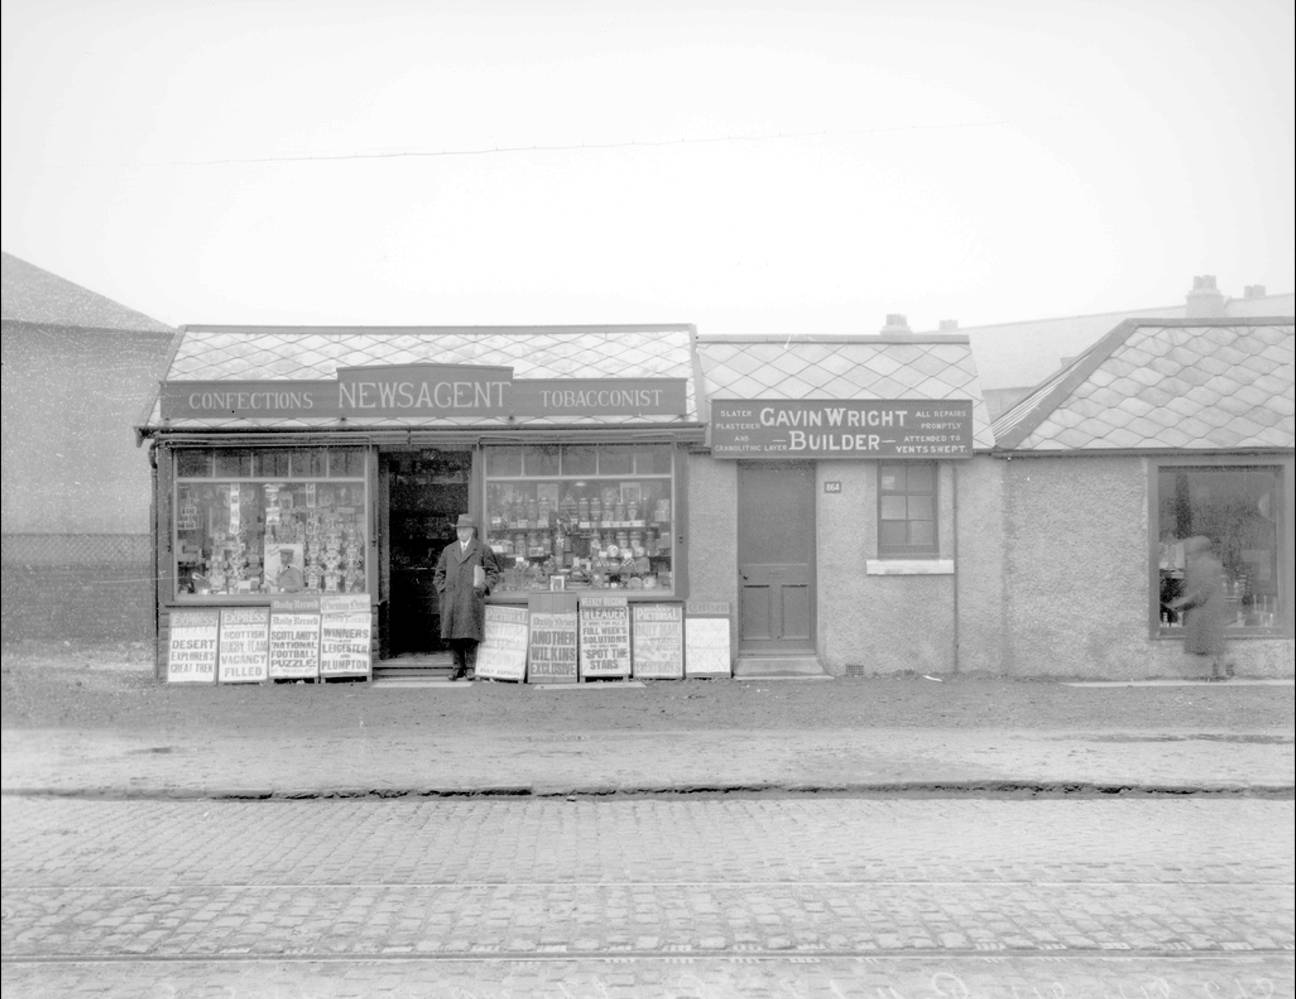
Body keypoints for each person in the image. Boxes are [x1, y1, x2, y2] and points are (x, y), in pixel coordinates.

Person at [433, 514, 501, 680]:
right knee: (453, 633)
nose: (461, 532)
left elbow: (493, 572)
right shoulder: (448, 550)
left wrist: (483, 587)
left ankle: (470, 667)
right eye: (459, 530)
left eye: (464, 529)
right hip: (452, 599)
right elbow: (438, 574)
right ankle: (457, 667)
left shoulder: (482, 549)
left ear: (471, 531)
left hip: (472, 598)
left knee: (469, 633)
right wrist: (443, 590)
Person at [1168, 535, 1232, 681]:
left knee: (1208, 643)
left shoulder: (1205, 565)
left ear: (1200, 550)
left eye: (1193, 550)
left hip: (1205, 610)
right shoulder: (1209, 564)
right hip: (1207, 610)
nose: (1190, 554)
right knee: (1211, 643)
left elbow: (1204, 590)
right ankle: (1216, 672)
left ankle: (1215, 672)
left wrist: (1183, 602)